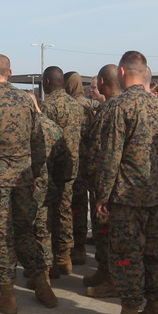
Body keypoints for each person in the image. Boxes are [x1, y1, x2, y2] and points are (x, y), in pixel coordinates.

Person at [89, 51, 158, 314]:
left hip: (126, 198)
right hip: (153, 195)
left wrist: (102, 196)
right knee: (152, 255)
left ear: (122, 72)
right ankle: (154, 311)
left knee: (126, 258)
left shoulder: (119, 106)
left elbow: (110, 156)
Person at [0, 55, 54, 314]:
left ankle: (7, 295)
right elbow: (38, 139)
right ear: (11, 72)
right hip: (23, 178)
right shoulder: (25, 99)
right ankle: (42, 286)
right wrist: (35, 174)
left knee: (1, 235)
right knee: (26, 232)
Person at [81, 64, 123, 298]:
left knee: (106, 232)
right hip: (116, 184)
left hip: (106, 184)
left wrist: (102, 192)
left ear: (105, 83)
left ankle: (110, 277)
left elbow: (104, 153)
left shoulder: (111, 109)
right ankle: (103, 270)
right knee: (103, 233)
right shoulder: (110, 107)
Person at [41, 67, 87, 276]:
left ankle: (51, 261)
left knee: (49, 213)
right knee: (66, 210)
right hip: (72, 167)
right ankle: (65, 256)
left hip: (53, 169)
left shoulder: (48, 106)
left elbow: (43, 140)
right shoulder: (76, 106)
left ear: (49, 82)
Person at [66, 71, 97, 267]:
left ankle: (69, 248)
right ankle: (80, 248)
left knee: (69, 207)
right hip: (87, 163)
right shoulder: (89, 106)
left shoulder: (67, 106)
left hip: (71, 164)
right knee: (82, 205)